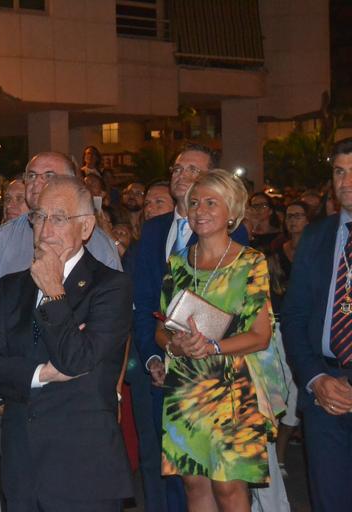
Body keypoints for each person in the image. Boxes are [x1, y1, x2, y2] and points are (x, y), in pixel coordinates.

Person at [0, 176, 133, 511]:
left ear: (86, 227)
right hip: (22, 464)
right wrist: (39, 374)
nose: (45, 229)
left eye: (58, 219)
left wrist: (55, 293)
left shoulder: (110, 286)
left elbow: (76, 360)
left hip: (83, 468)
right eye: (39, 217)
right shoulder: (12, 286)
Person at [155, 169, 284, 511]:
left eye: (211, 202)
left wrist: (213, 347)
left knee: (229, 489)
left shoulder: (251, 262)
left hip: (233, 387)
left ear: (233, 211)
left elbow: (260, 336)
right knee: (195, 485)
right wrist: (175, 345)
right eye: (194, 202)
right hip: (185, 385)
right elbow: (162, 327)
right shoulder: (178, 262)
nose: (200, 210)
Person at [131, 143, 249, 512]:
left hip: (214, 379)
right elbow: (144, 305)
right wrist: (153, 357)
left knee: (218, 482)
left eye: (193, 170)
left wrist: (200, 354)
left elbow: (240, 317)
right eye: (178, 168)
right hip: (162, 374)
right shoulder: (152, 232)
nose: (181, 175)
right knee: (165, 470)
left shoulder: (236, 240)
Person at [282, 138, 352, 512]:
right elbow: (294, 316)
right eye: (340, 171)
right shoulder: (317, 236)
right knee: (329, 500)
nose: (346, 182)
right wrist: (315, 378)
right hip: (322, 392)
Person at [0, 151, 121, 302]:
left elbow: (113, 315)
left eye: (49, 176)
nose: (36, 183)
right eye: (31, 176)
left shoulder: (98, 244)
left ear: (71, 182)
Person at [267, 201, 309, 479]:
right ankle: (271, 455)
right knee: (275, 390)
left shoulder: (317, 251)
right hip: (275, 328)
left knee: (295, 392)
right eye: (289, 216)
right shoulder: (274, 254)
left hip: (304, 329)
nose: (293, 221)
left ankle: (280, 452)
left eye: (299, 216)